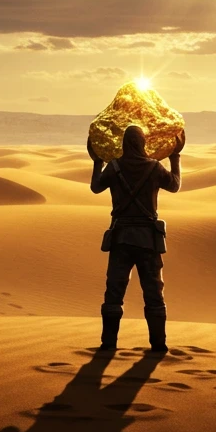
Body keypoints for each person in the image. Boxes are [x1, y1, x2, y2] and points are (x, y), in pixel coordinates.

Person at [89, 124, 184, 354]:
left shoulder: (114, 167)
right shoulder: (153, 167)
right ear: (143, 143)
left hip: (121, 240)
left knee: (114, 291)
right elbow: (175, 185)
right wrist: (175, 156)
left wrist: (97, 161)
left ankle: (108, 344)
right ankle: (158, 345)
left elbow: (95, 187)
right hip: (148, 242)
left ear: (123, 144)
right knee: (153, 292)